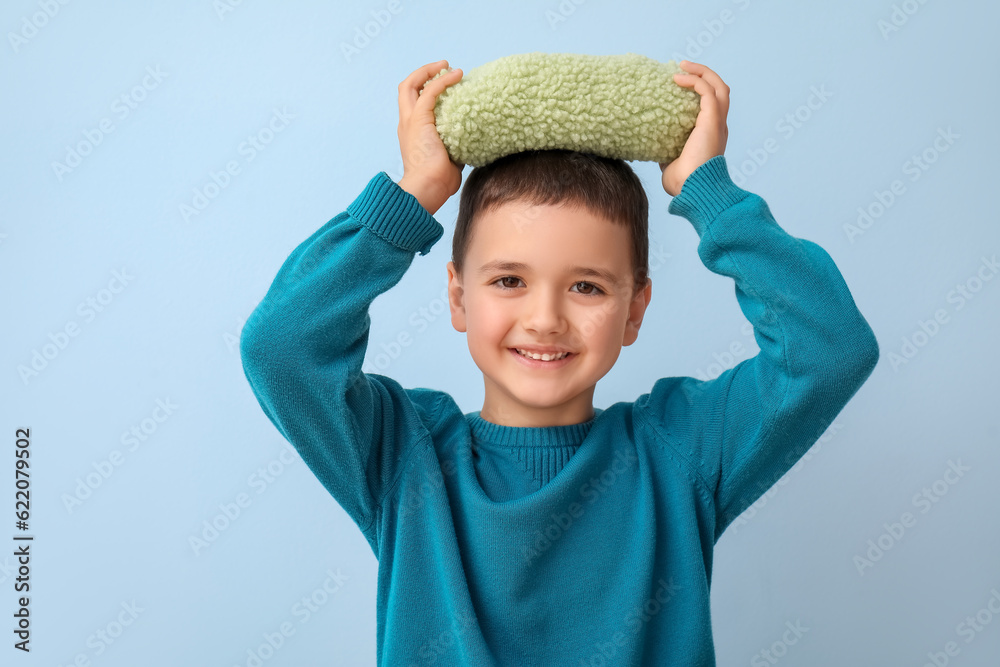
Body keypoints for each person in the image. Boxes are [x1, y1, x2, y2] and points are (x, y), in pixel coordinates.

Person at [239, 58, 880, 666]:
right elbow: (282, 347)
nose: (545, 318)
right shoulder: (403, 455)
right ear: (458, 296)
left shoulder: (681, 450)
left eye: (587, 287)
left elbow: (830, 349)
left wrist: (709, 194)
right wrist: (415, 194)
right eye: (509, 280)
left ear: (635, 310)